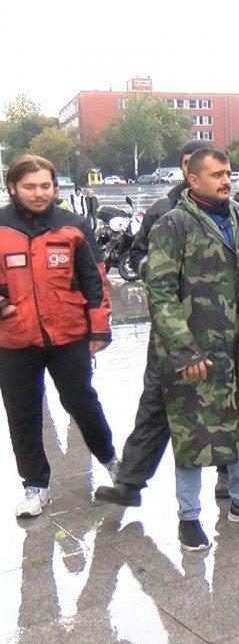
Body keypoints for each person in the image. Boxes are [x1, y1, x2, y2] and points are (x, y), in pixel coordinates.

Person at [145, 148, 239, 551]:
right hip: (195, 353)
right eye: (217, 174)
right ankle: (189, 517)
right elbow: (161, 293)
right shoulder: (173, 224)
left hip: (238, 348)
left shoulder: (237, 216)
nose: (226, 180)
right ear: (193, 179)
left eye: (229, 173)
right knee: (192, 433)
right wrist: (185, 352)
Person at [94, 139, 218, 508]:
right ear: (185, 167)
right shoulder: (163, 208)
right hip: (170, 326)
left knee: (223, 401)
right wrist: (157, 269)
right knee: (155, 403)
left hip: (218, 323)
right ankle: (130, 482)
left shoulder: (228, 209)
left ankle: (232, 482)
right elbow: (136, 253)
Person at [0, 155, 117, 518]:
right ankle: (35, 486)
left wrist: (98, 327)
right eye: (30, 186)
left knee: (82, 401)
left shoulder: (74, 226)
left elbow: (95, 279)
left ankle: (112, 462)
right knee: (22, 413)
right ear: (13, 188)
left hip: (68, 336)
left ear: (55, 187)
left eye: (45, 186)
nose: (38, 193)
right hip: (14, 340)